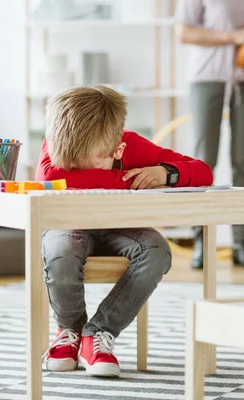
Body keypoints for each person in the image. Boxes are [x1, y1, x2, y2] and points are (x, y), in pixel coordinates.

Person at [35, 86, 213, 377]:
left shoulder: (130, 144)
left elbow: (202, 171)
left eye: (89, 163)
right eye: (74, 166)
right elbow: (54, 175)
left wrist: (165, 173)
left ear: (118, 149)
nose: (80, 172)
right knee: (60, 252)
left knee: (157, 250)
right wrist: (124, 180)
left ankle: (97, 334)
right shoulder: (56, 141)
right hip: (68, 224)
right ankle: (70, 331)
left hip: (122, 227)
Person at [175, 0, 244, 269]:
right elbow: (183, 32)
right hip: (206, 77)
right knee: (202, 162)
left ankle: (240, 243)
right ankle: (201, 242)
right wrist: (234, 36)